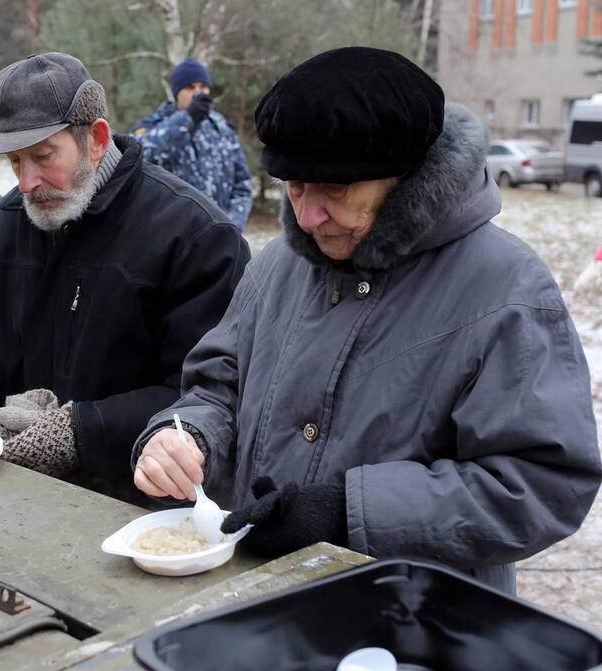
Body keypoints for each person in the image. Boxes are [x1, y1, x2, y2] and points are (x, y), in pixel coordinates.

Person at [132, 47, 602, 594]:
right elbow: (217, 387)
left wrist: (351, 512)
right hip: (258, 598)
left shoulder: (508, 289)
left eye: (334, 188)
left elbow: (541, 484)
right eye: (295, 187)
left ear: (407, 178)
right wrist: (186, 435)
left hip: (414, 627)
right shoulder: (278, 267)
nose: (307, 217)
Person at [0, 52, 248, 503]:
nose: (26, 183)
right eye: (15, 162)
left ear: (96, 139)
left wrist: (83, 429)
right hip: (27, 492)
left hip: (145, 507)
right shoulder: (3, 226)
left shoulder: (195, 235)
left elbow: (208, 395)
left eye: (41, 156)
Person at [132, 58, 254, 231]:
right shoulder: (154, 125)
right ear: (177, 93)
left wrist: (232, 226)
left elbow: (242, 183)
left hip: (220, 239)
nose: (198, 93)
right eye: (190, 87)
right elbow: (140, 156)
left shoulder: (222, 128)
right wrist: (188, 118)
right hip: (173, 238)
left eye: (203, 87)